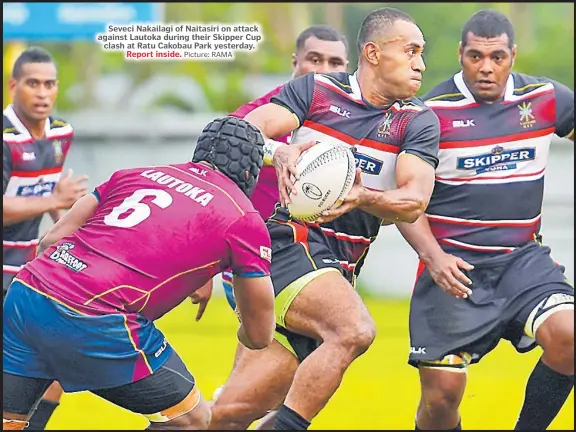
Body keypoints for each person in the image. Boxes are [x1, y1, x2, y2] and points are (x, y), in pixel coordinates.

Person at [209, 7, 440, 430]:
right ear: (372, 53)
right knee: (353, 330)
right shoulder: (316, 91)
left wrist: (362, 196)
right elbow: (241, 130)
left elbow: (413, 200)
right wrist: (275, 150)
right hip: (286, 244)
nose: (420, 64)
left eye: (421, 53)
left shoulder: (418, 121)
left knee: (228, 415)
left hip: (338, 267)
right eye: (410, 51)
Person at [2, 116, 277, 431]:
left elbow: (50, 240)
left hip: (27, 292)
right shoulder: (244, 217)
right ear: (249, 173)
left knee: (10, 422)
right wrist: (244, 331)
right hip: (97, 316)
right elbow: (259, 336)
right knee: (190, 419)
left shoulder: (137, 174)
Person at [396, 9, 574, 431]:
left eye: (497, 57)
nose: (486, 68)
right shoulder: (429, 114)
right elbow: (401, 202)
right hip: (453, 269)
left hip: (522, 261)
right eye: (476, 56)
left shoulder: (546, 98)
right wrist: (434, 259)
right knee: (441, 401)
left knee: (570, 335)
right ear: (460, 54)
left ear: (513, 55)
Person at [204, 24, 349, 428]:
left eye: (334, 62)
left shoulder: (348, 122)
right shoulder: (266, 113)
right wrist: (203, 267)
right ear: (295, 63)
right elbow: (214, 174)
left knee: (267, 401)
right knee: (245, 405)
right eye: (314, 60)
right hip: (266, 266)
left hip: (316, 269)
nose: (322, 70)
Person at [3, 46, 88, 430]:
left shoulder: (60, 133)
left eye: (49, 84)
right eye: (32, 83)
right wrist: (55, 199)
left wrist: (75, 235)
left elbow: (54, 198)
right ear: (13, 86)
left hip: (27, 268)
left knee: (56, 357)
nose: (41, 92)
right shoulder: (4, 139)